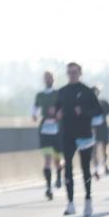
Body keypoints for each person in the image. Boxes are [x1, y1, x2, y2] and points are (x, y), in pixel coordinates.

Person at [55, 62, 102, 217]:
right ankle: (70, 203)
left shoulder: (87, 91)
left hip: (84, 134)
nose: (72, 74)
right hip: (67, 134)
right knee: (67, 167)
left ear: (80, 73)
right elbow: (56, 110)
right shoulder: (61, 92)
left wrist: (83, 111)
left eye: (74, 72)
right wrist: (57, 114)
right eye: (69, 72)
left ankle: (88, 200)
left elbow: (98, 111)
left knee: (85, 168)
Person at [33, 72, 63, 200]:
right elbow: (35, 108)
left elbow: (63, 107)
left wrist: (57, 113)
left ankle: (59, 175)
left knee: (57, 159)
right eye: (46, 78)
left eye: (50, 78)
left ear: (53, 79)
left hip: (57, 130)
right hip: (45, 129)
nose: (48, 80)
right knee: (47, 159)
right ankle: (48, 187)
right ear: (43, 80)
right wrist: (34, 115)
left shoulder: (58, 94)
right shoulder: (40, 95)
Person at [90, 85, 109, 177]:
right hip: (92, 128)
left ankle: (105, 165)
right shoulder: (88, 104)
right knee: (94, 149)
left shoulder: (103, 102)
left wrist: (106, 111)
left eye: (97, 92)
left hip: (103, 127)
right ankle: (96, 167)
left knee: (104, 148)